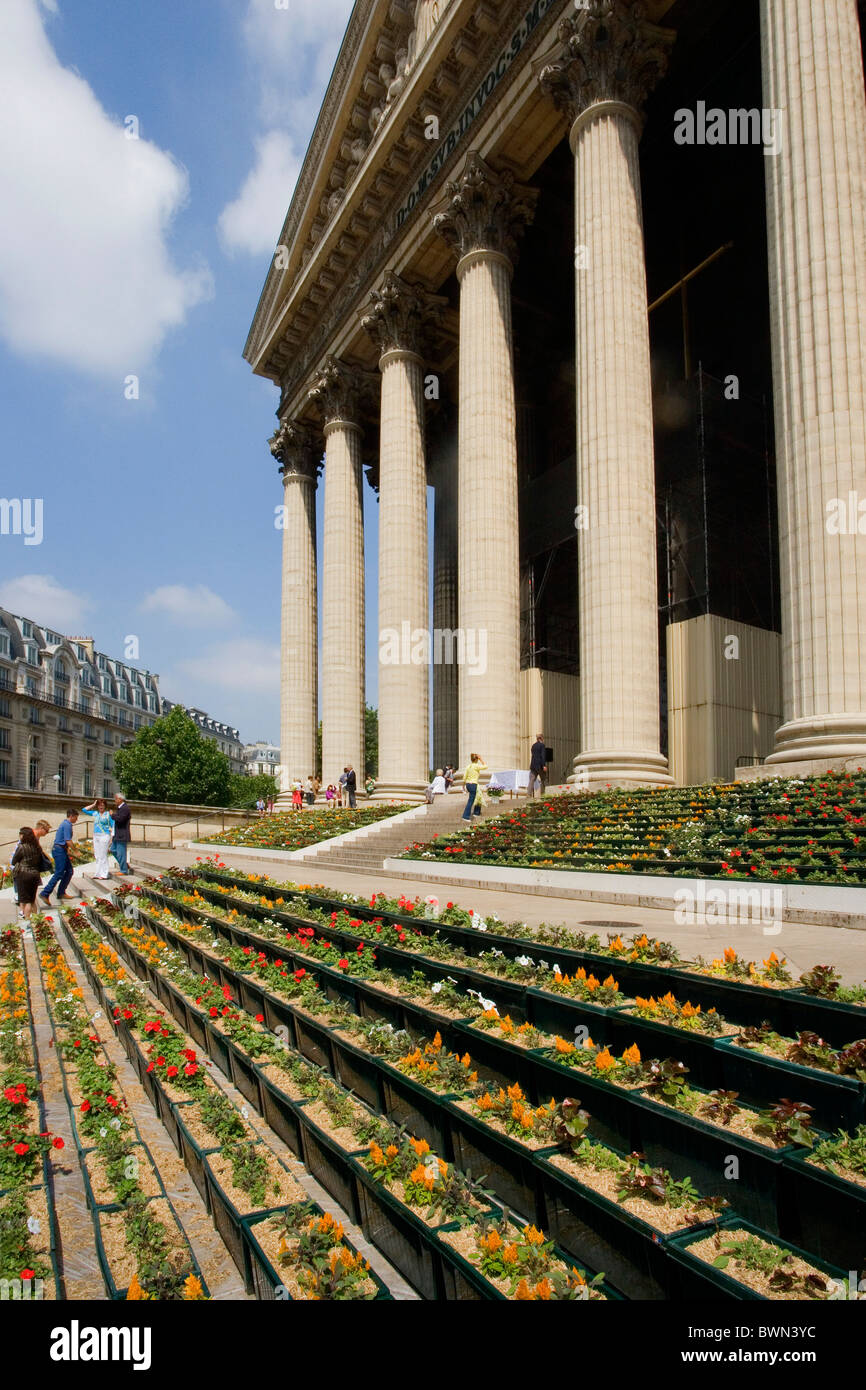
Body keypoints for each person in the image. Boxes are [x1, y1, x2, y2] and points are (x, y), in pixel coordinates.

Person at [39, 809, 79, 904]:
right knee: (59, 872)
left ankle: (61, 892)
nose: (76, 820)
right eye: (76, 818)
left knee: (69, 871)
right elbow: (68, 840)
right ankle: (45, 893)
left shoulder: (65, 824)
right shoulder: (67, 825)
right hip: (59, 850)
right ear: (72, 816)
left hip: (61, 850)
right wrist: (76, 851)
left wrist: (67, 850)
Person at [12, 828, 49, 921]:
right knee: (32, 900)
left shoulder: (22, 847)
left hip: (23, 874)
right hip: (35, 874)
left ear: (23, 836)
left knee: (26, 901)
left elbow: (14, 861)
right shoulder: (37, 847)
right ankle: (36, 921)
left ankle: (28, 923)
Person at [81, 798, 115, 879]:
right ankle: (98, 873)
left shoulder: (108, 814)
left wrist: (112, 837)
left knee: (103, 855)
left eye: (102, 805)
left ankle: (104, 873)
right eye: (99, 805)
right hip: (96, 835)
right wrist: (93, 804)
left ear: (105, 806)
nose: (101, 807)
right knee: (97, 855)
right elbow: (84, 810)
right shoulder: (95, 813)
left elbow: (113, 825)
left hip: (104, 835)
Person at [111, 793, 132, 876]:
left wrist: (112, 815)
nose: (115, 801)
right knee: (113, 850)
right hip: (117, 834)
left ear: (120, 799)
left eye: (116, 799)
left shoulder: (125, 808)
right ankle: (124, 864)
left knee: (121, 852)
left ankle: (123, 870)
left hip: (122, 834)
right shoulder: (120, 808)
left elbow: (121, 819)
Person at [462, 753, 487, 821]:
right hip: (473, 784)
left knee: (478, 796)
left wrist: (463, 785)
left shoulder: (468, 766)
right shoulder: (476, 766)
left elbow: (464, 777)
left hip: (468, 784)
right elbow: (485, 766)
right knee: (471, 800)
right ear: (476, 759)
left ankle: (476, 812)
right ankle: (465, 816)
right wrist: (481, 759)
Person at [529, 733, 548, 798]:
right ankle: (545, 794)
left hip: (533, 765)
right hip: (539, 765)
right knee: (544, 779)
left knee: (531, 780)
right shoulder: (542, 745)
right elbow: (542, 756)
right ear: (541, 738)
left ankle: (528, 794)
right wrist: (544, 765)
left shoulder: (533, 746)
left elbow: (533, 755)